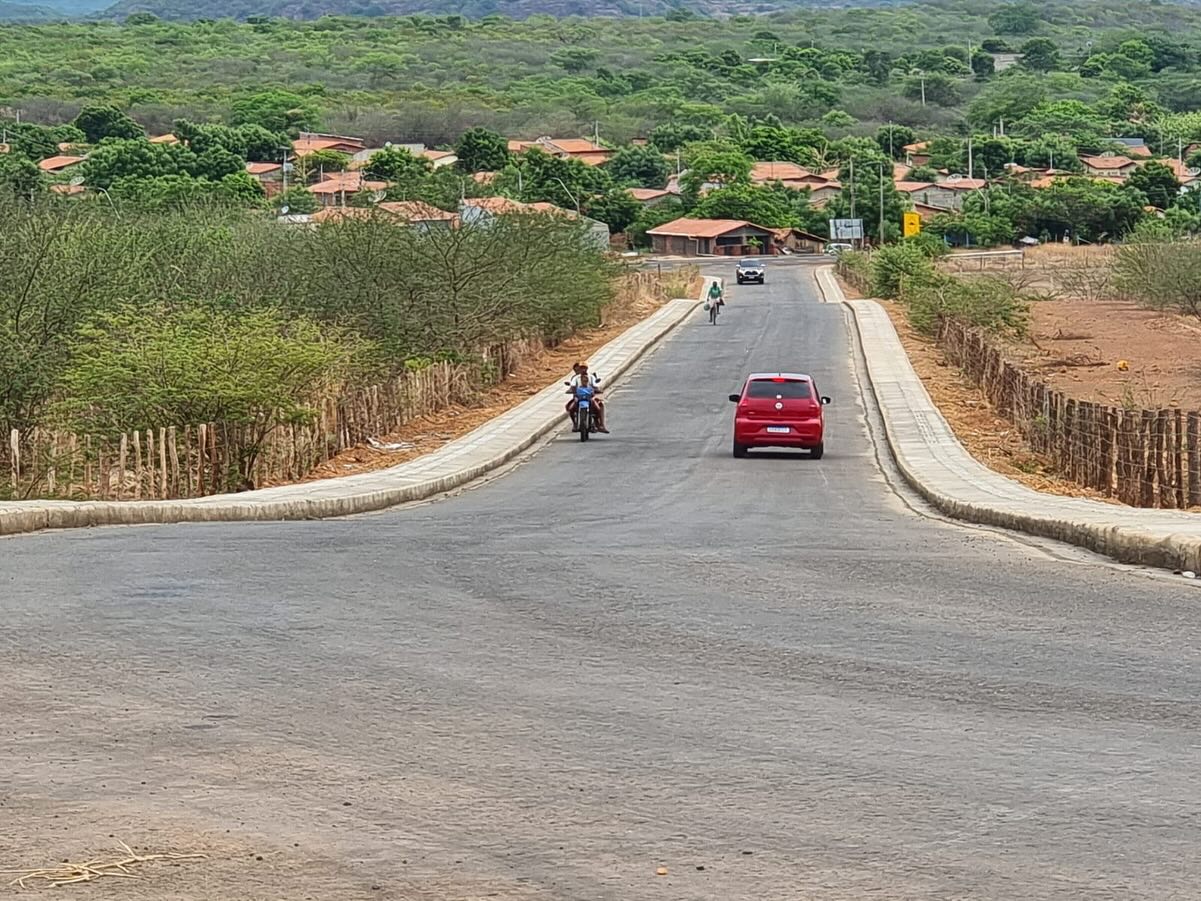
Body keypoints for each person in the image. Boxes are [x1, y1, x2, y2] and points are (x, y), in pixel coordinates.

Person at [566, 362, 608, 432]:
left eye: (584, 368)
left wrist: (597, 390)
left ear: (587, 368)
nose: (583, 370)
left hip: (590, 397)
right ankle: (575, 424)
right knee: (571, 408)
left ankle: (600, 424)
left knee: (598, 407)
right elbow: (572, 386)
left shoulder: (591, 377)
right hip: (578, 397)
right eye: (581, 368)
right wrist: (571, 390)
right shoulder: (576, 378)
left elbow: (595, 386)